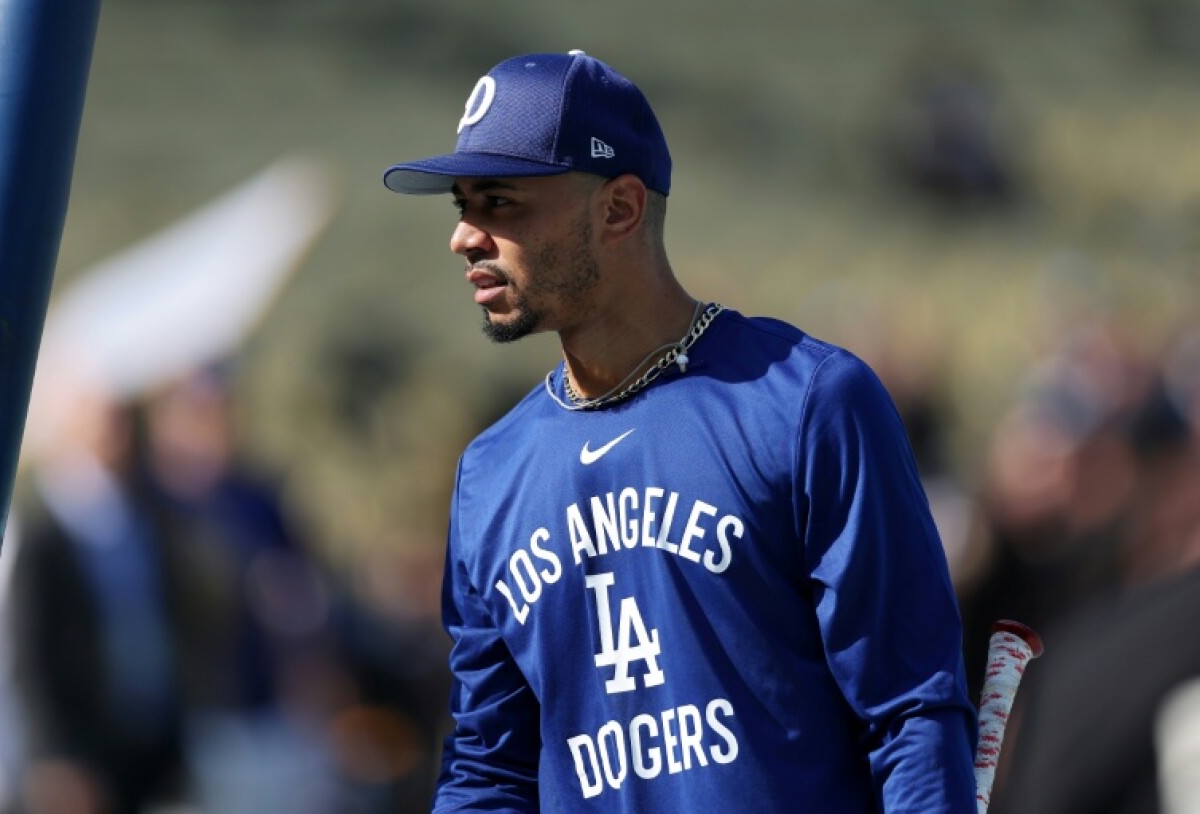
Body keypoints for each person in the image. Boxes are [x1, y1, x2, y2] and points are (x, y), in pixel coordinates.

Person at [382, 50, 977, 813]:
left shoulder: (806, 404)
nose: (464, 238)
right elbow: (489, 772)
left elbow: (910, 711)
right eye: (462, 205)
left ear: (620, 209)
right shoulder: (490, 473)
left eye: (500, 203)